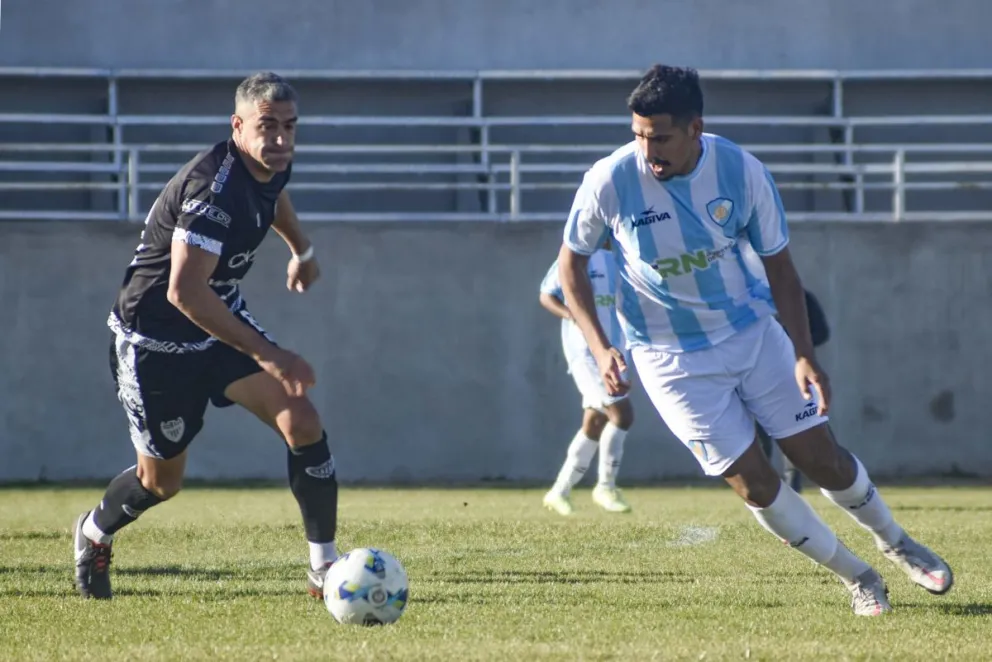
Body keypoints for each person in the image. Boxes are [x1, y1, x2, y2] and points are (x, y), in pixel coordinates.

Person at [556, 64, 953, 616]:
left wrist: (804, 355)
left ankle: (895, 541)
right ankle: (859, 577)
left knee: (822, 459)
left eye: (661, 137)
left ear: (696, 128)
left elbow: (782, 272)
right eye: (639, 134)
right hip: (669, 358)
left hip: (751, 334)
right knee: (753, 483)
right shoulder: (609, 180)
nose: (648, 150)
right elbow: (569, 267)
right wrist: (601, 348)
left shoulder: (741, 172)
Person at [73, 72, 340, 601]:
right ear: (237, 126)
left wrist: (302, 251)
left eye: (290, 126)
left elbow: (275, 198)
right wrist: (271, 354)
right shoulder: (213, 187)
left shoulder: (267, 163)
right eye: (268, 126)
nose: (282, 139)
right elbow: (184, 292)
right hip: (156, 344)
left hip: (218, 327)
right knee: (161, 483)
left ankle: (324, 570)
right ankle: (92, 533)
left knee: (302, 420)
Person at [538, 237, 634, 515]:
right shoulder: (575, 257)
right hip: (585, 352)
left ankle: (560, 491)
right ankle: (606, 486)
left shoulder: (619, 260)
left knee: (595, 421)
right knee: (622, 414)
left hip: (613, 351)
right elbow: (547, 295)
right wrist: (573, 316)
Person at [758, 288, 832, 492]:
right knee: (758, 438)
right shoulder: (745, 297)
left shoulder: (799, 296)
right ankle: (767, 490)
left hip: (794, 377)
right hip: (754, 376)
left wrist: (791, 342)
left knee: (804, 433)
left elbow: (822, 332)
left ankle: (797, 487)